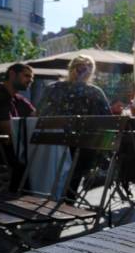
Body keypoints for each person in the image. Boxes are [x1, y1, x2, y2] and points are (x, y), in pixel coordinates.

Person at [37, 55, 111, 203]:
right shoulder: (94, 92)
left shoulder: (52, 88)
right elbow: (107, 121)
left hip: (49, 146)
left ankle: (53, 198)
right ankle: (68, 199)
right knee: (84, 154)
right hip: (80, 149)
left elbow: (39, 114)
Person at [0, 63, 36, 191]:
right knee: (37, 159)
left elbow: (36, 115)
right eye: (26, 76)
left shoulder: (16, 98)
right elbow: (8, 133)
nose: (30, 80)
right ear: (12, 74)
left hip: (9, 151)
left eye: (32, 78)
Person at [38, 55, 111, 117]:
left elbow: (107, 118)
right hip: (60, 131)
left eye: (84, 70)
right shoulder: (54, 88)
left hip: (56, 132)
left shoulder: (53, 88)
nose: (81, 73)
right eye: (79, 69)